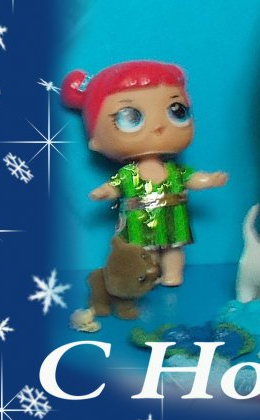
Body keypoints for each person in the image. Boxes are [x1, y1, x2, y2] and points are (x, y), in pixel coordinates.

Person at [62, 60, 228, 286]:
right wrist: (104, 192)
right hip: (139, 221)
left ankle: (173, 274)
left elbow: (191, 179)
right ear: (96, 140)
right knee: (144, 253)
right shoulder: (129, 174)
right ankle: (149, 275)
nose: (158, 126)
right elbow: (114, 187)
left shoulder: (173, 170)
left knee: (174, 249)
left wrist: (209, 180)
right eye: (130, 117)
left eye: (177, 111)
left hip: (172, 217)